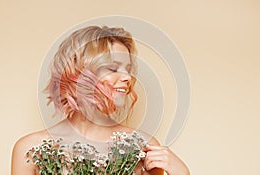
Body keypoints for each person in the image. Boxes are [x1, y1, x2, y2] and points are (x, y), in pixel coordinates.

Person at [11, 26, 190, 175]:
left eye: (128, 69)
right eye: (112, 68)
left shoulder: (145, 148)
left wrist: (181, 172)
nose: (127, 77)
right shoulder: (31, 149)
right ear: (78, 74)